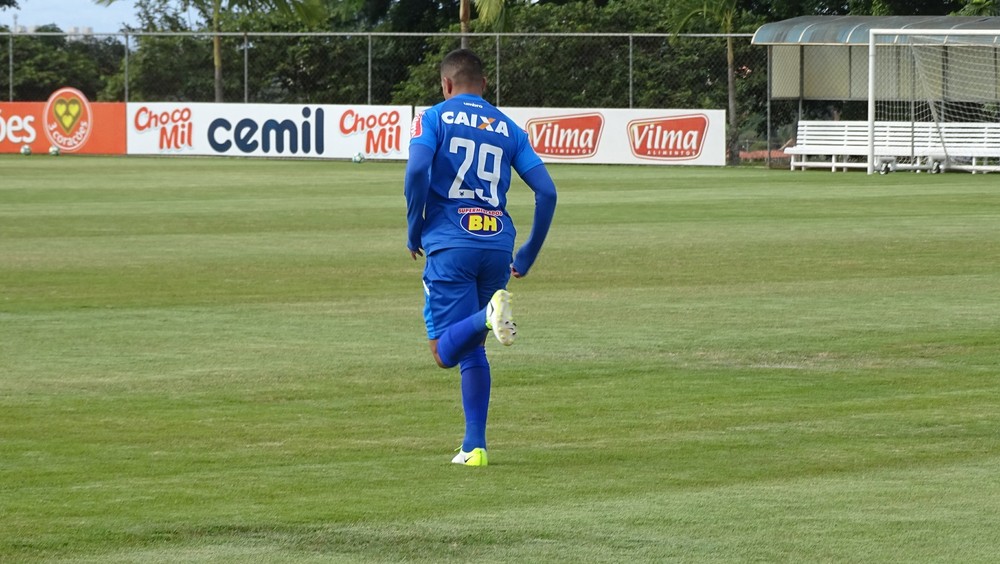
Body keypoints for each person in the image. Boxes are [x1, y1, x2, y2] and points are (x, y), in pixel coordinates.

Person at [404, 48, 558, 467]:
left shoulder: (433, 117)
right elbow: (547, 192)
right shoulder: (509, 128)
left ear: (446, 84)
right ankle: (474, 448)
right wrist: (527, 252)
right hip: (497, 243)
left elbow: (417, 170)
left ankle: (487, 315)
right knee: (474, 350)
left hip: (451, 241)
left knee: (443, 352)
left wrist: (414, 225)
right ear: (485, 85)